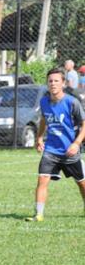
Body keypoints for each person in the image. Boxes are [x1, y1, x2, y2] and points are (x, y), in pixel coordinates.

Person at [25, 67, 85, 222]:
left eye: (56, 81)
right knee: (42, 179)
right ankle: (38, 214)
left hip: (69, 151)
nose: (53, 84)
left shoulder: (72, 102)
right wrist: (39, 138)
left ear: (63, 83)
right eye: (50, 81)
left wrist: (76, 143)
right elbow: (44, 120)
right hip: (51, 149)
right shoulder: (44, 101)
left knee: (81, 183)